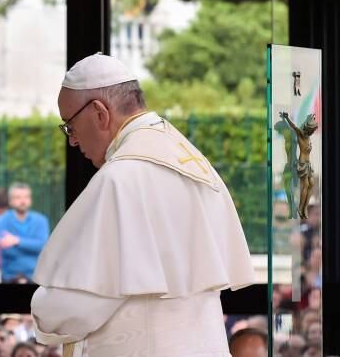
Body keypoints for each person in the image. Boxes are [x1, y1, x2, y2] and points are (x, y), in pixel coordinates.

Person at [30, 53, 254, 355]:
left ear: (99, 113)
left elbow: (78, 304)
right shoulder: (194, 163)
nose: (71, 140)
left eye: (70, 125)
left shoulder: (121, 178)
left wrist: (43, 306)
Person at [0, 183, 48, 282]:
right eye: (18, 197)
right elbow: (6, 249)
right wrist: (32, 245)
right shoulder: (2, 219)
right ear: (10, 201)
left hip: (35, 277)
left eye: (26, 197)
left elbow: (42, 246)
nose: (23, 201)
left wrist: (17, 241)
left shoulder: (41, 220)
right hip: (10, 277)